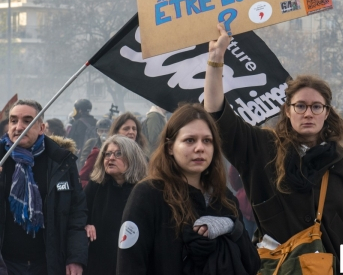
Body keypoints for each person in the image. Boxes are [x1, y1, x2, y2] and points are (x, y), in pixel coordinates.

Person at [204, 24, 343, 273]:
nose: (308, 113)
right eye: (300, 106)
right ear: (288, 110)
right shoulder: (262, 150)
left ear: (327, 113)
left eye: (316, 107)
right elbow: (217, 115)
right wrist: (216, 61)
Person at [117, 103, 260, 275]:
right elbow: (130, 264)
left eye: (207, 141)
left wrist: (233, 228)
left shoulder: (225, 199)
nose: (200, 148)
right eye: (189, 140)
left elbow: (251, 264)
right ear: (170, 147)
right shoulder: (148, 194)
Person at [0, 100, 87, 275]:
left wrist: (75, 258)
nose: (19, 127)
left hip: (47, 264)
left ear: (41, 128)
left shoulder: (61, 162)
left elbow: (76, 215)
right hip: (6, 264)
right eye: (13, 120)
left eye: (27, 121)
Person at [84, 135, 147, 275]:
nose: (111, 158)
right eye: (107, 154)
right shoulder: (96, 185)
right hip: (99, 263)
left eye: (118, 154)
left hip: (132, 263)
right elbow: (79, 211)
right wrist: (86, 224)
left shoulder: (145, 189)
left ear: (132, 158)